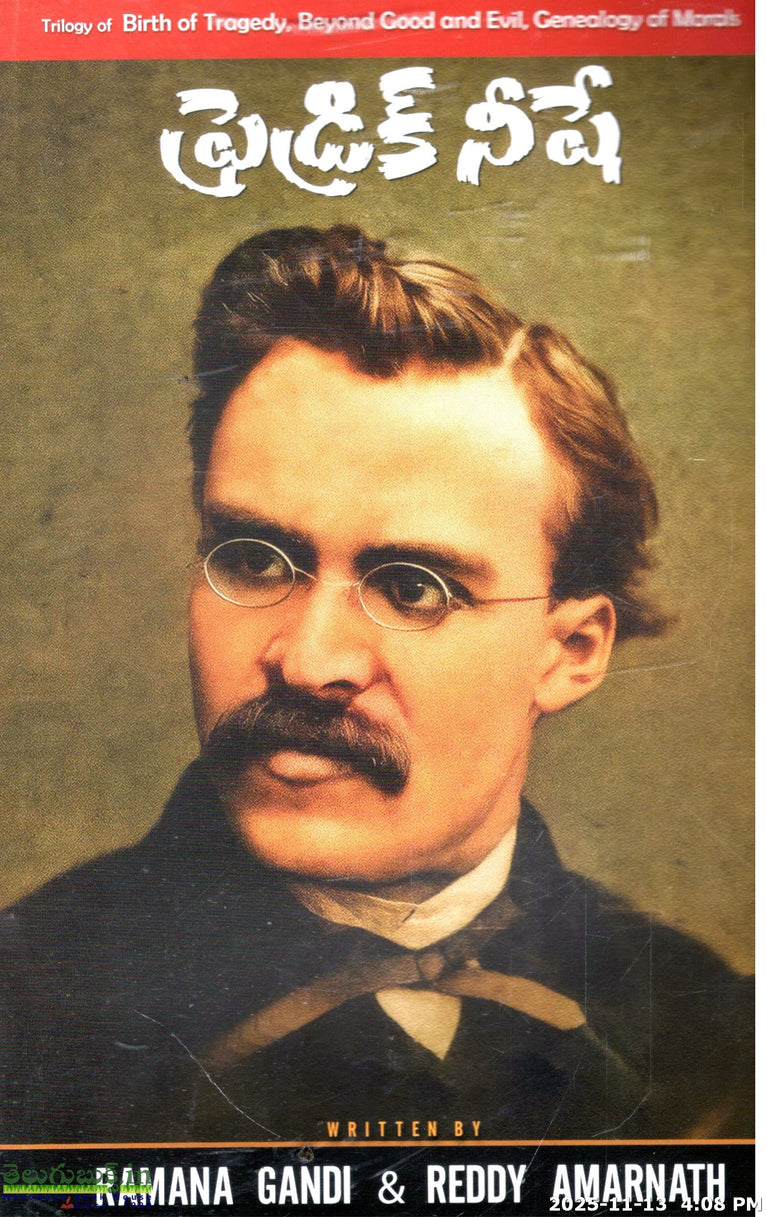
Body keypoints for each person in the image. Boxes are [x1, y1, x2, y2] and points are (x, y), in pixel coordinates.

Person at [0, 225, 752, 1143]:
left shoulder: (713, 1042)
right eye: (254, 560)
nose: (310, 660)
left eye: (412, 588)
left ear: (568, 650)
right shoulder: (26, 1009)